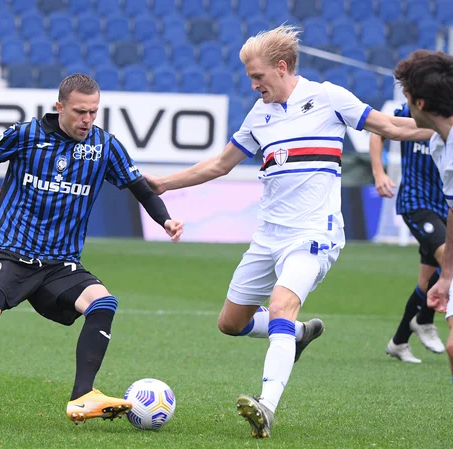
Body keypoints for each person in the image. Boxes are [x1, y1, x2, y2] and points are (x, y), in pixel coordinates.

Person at [144, 25, 433, 439]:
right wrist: (164, 184)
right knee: (231, 322)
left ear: (281, 67)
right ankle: (297, 336)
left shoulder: (329, 98)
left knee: (281, 306)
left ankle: (267, 406)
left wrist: (443, 127)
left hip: (315, 232)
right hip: (269, 236)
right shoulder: (258, 115)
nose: (253, 83)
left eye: (257, 76)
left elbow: (391, 127)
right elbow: (219, 165)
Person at [0, 74, 184, 425]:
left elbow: (141, 188)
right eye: (79, 112)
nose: (87, 120)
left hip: (60, 264)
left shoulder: (104, 146)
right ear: (59, 107)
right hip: (12, 255)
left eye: (93, 112)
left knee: (103, 302)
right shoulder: (26, 135)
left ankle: (82, 396)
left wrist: (164, 220)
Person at [394, 49, 453, 383]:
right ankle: (404, 335)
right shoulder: (440, 143)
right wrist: (445, 277)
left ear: (419, 103)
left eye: (406, 94)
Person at [370, 109, 446, 363]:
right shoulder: (411, 109)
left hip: (446, 204)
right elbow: (379, 130)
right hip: (417, 202)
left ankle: (399, 342)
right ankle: (424, 319)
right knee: (449, 260)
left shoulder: (445, 118)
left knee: (426, 281)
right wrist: (379, 172)